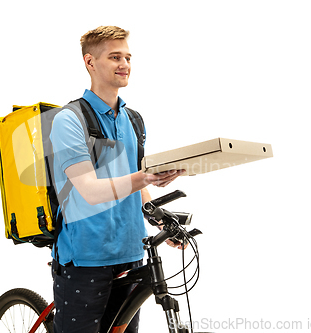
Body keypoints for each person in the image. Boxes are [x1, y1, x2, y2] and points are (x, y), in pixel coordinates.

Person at [49, 25, 184, 333]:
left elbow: (136, 187)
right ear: (90, 62)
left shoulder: (133, 119)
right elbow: (90, 191)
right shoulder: (69, 120)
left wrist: (160, 219)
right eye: (114, 57)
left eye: (127, 57)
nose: (124, 64)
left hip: (131, 253)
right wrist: (144, 177)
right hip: (86, 259)